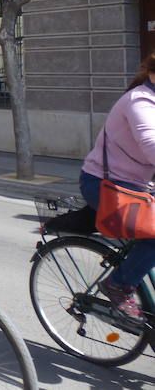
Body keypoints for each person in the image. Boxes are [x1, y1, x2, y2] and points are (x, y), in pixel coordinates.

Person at [79, 52, 155, 321]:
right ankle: (118, 284)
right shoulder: (140, 101)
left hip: (137, 185)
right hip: (105, 185)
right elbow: (150, 145)